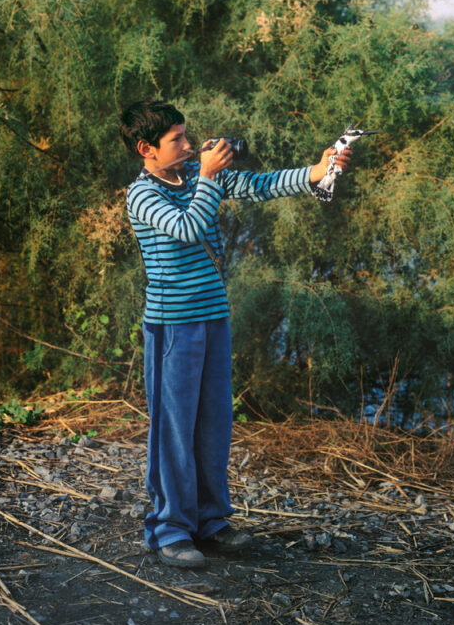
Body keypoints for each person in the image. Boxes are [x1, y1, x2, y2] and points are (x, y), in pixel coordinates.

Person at [121, 99, 351, 568]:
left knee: (213, 426)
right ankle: (170, 529)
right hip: (171, 327)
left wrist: (316, 170)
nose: (188, 145)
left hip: (213, 317)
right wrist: (207, 176)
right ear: (146, 149)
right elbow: (189, 228)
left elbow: (259, 185)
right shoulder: (141, 195)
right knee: (174, 431)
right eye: (176, 140)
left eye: (186, 136)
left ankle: (210, 521)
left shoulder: (194, 177)